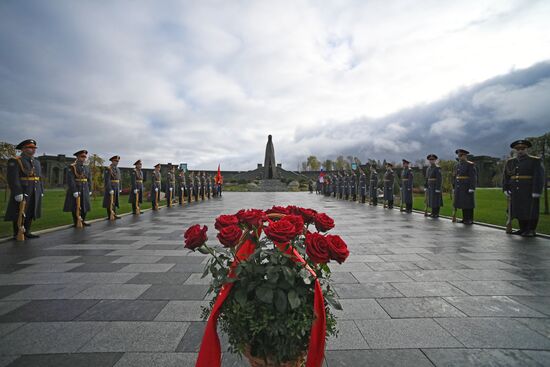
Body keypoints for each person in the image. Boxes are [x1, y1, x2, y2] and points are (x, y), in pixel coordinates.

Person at [502, 140, 545, 237]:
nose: (520, 151)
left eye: (522, 149)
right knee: (519, 210)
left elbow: (539, 177)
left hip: (529, 190)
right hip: (515, 191)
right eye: (518, 149)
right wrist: (505, 188)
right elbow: (506, 176)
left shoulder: (535, 160)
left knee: (530, 210)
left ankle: (531, 230)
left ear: (527, 149)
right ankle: (522, 229)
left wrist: (536, 191)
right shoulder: (510, 162)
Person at [4, 139, 44, 239]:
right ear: (23, 149)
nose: (33, 150)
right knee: (20, 211)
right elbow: (13, 178)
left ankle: (27, 231)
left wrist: (41, 190)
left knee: (31, 210)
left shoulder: (36, 162)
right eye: (30, 147)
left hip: (35, 190)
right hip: (23, 189)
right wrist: (17, 192)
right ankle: (17, 232)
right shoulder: (16, 160)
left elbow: (39, 178)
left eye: (34, 148)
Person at [63, 149, 92, 226]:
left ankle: (82, 220)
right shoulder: (72, 167)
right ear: (77, 157)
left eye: (85, 157)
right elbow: (70, 179)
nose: (84, 158)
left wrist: (90, 189)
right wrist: (74, 190)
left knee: (84, 205)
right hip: (77, 188)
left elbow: (89, 179)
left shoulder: (86, 167)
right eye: (82, 157)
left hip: (85, 188)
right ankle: (76, 221)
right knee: (75, 206)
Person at [453, 149, 477, 224]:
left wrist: (472, 187)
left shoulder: (470, 164)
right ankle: (465, 219)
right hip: (460, 187)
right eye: (458, 156)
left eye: (460, 155)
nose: (459, 157)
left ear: (465, 156)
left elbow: (473, 177)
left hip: (467, 186)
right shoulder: (457, 165)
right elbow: (455, 176)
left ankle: (470, 219)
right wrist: (454, 186)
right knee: (463, 203)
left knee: (468, 203)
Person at [103, 155, 121, 219]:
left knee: (115, 201)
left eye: (117, 161)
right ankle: (110, 214)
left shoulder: (118, 169)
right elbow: (107, 180)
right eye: (115, 161)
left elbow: (119, 179)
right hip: (111, 187)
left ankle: (114, 214)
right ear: (112, 161)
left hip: (116, 186)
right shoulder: (108, 168)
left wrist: (119, 188)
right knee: (110, 201)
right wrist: (110, 189)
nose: (117, 162)